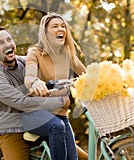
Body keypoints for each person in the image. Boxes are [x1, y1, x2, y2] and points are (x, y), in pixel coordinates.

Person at [0, 27, 70, 160]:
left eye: (9, 39)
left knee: (80, 157)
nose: (7, 44)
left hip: (38, 120)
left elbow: (49, 72)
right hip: (12, 129)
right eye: (0, 43)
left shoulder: (25, 61)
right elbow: (23, 103)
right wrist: (60, 101)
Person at [23, 12, 88, 160]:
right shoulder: (35, 53)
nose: (61, 29)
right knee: (57, 126)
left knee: (73, 158)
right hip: (34, 113)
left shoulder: (67, 54)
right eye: (55, 26)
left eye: (63, 26)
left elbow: (86, 74)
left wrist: (110, 79)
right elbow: (29, 77)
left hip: (60, 114)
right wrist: (36, 82)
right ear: (45, 33)